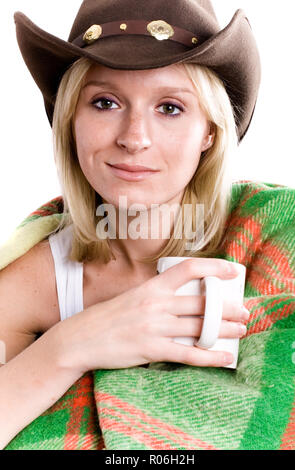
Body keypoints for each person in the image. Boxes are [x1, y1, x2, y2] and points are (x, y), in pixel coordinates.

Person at [0, 0, 263, 448]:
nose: (134, 137)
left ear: (210, 132)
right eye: (105, 102)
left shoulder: (272, 239)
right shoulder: (33, 283)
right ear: (71, 122)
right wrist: (71, 345)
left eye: (170, 108)